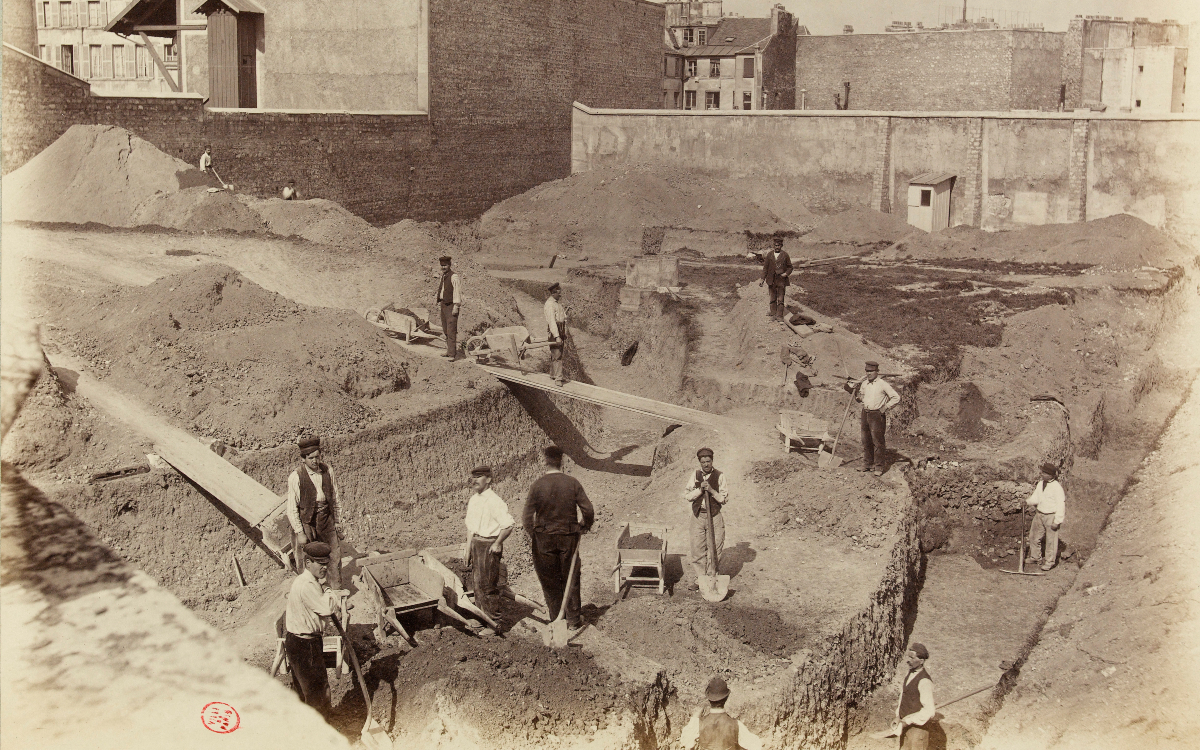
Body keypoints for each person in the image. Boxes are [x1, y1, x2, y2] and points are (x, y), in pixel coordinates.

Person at [522, 445, 594, 634]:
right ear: (562, 461)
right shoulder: (572, 483)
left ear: (544, 462)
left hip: (544, 538)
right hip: (568, 537)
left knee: (549, 578)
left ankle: (556, 618)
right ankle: (573, 619)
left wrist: (536, 535)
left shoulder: (537, 485)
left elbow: (526, 518)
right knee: (571, 575)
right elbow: (588, 510)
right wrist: (584, 526)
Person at [283, 541, 349, 717]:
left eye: (326, 564)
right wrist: (329, 591)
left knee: (303, 691)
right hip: (306, 645)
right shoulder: (308, 585)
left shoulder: (306, 581)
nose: (324, 568)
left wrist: (323, 587)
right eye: (320, 564)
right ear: (308, 563)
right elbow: (327, 609)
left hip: (297, 641)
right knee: (318, 692)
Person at [286, 436, 342, 587]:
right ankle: (310, 593)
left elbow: (335, 497)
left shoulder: (328, 470)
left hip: (326, 519)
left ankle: (335, 593)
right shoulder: (296, 477)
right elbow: (291, 509)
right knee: (306, 560)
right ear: (303, 459)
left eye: (317, 457)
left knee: (334, 555)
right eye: (311, 458)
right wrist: (300, 532)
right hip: (306, 522)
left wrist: (337, 521)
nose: (315, 461)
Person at [463, 466, 515, 621]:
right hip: (476, 544)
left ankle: (494, 622)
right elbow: (470, 527)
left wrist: (498, 543)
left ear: (489, 479)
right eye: (473, 477)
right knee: (477, 585)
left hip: (489, 546)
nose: (475, 480)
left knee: (488, 587)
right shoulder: (473, 500)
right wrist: (468, 549)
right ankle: (482, 619)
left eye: (479, 477)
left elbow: (508, 525)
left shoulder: (495, 501)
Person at [844, 361, 900, 476]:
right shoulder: (864, 384)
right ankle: (867, 464)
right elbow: (861, 398)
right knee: (866, 440)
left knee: (877, 441)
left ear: (877, 372)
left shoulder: (882, 384)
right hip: (865, 413)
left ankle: (879, 467)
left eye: (871, 371)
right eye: (867, 371)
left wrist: (885, 407)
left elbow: (896, 397)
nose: (868, 373)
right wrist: (855, 393)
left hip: (876, 415)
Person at [684, 447, 729, 589]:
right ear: (699, 462)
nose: (706, 464)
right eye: (703, 462)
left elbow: (723, 499)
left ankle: (712, 576)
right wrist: (699, 490)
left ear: (712, 461)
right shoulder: (695, 475)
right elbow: (687, 496)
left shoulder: (720, 476)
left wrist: (711, 490)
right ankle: (700, 579)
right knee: (697, 548)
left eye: (708, 461)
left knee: (715, 547)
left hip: (714, 516)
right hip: (698, 515)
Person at [679, 676, 763, 750]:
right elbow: (756, 746)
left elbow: (685, 741)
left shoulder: (698, 724)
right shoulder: (736, 725)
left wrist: (694, 717)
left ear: (709, 699)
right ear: (726, 698)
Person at [1025, 463, 1066, 571]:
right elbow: (1036, 498)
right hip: (1039, 514)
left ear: (1051, 475)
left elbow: (1061, 505)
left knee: (1051, 541)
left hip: (1051, 516)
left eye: (1044, 473)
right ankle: (1035, 557)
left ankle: (1049, 562)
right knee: (1033, 536)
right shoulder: (1040, 484)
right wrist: (1026, 502)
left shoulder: (1057, 488)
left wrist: (1057, 521)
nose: (1041, 474)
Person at [895, 643, 936, 750]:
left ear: (921, 661)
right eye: (908, 656)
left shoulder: (924, 681)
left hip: (918, 731)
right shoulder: (910, 673)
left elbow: (929, 711)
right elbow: (903, 696)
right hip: (905, 728)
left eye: (912, 658)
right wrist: (898, 716)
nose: (908, 660)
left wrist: (907, 721)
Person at [758, 236, 792, 319]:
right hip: (771, 280)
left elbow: (790, 267)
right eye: (775, 245)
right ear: (773, 245)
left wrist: (786, 274)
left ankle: (779, 315)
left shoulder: (785, 255)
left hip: (781, 280)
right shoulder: (769, 255)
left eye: (779, 245)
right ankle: (773, 312)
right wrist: (762, 279)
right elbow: (765, 268)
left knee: (780, 298)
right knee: (772, 297)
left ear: (781, 246)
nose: (777, 247)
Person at [435, 255, 461, 359]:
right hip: (444, 305)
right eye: (442, 265)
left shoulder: (454, 277)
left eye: (445, 265)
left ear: (449, 265)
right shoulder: (443, 276)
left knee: (451, 330)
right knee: (445, 330)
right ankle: (449, 351)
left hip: (451, 306)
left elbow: (457, 292)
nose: (443, 267)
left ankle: (452, 354)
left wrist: (456, 306)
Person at [544, 282, 569, 385]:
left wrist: (566, 313)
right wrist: (557, 336)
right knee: (557, 354)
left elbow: (561, 317)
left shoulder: (556, 303)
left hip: (560, 330)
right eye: (559, 294)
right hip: (555, 331)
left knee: (557, 354)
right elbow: (552, 322)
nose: (560, 295)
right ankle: (558, 379)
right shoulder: (550, 305)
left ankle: (553, 374)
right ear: (553, 293)